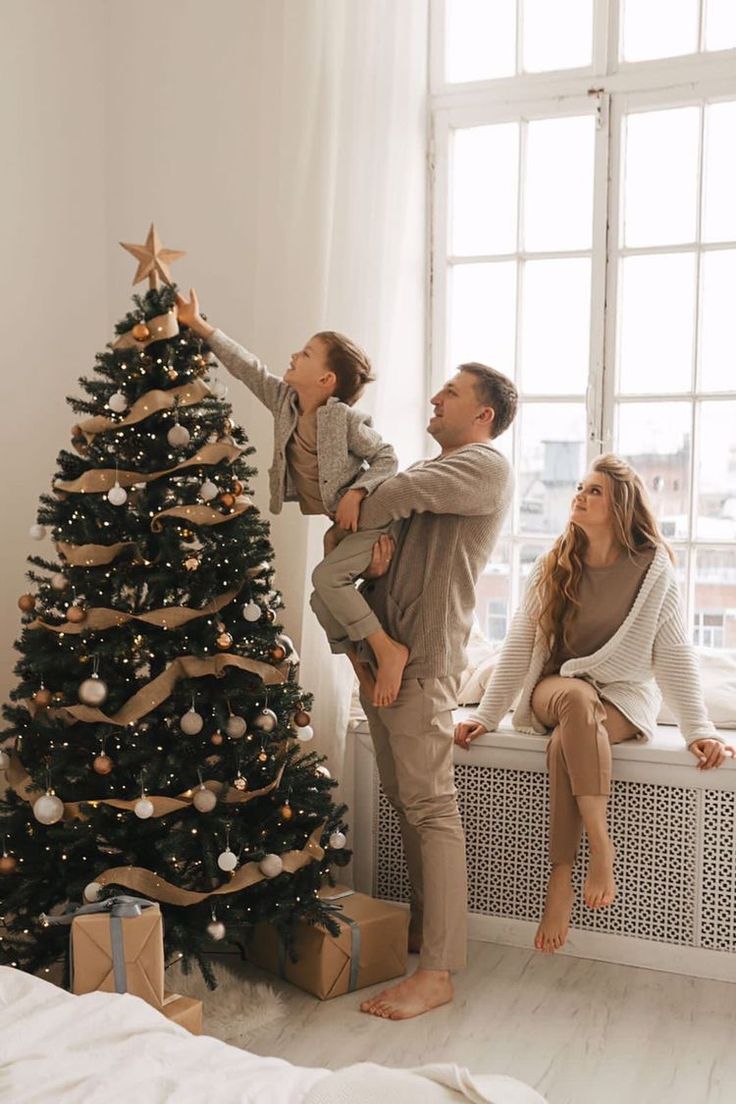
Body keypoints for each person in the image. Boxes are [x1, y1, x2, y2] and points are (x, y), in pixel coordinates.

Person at [455, 453, 731, 955]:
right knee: (577, 705)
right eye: (579, 488)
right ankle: (601, 849)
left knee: (569, 742)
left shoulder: (653, 569)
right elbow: (518, 645)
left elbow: (672, 654)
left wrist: (701, 730)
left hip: (624, 699)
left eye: (594, 491)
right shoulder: (554, 562)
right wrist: (485, 714)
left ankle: (560, 879)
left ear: (620, 504)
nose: (578, 496)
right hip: (556, 690)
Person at [313, 361, 517, 1019]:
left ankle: (438, 971)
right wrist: (368, 552)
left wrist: (366, 504)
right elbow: (349, 539)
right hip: (384, 663)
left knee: (430, 810)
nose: (434, 397)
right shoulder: (437, 478)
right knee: (407, 804)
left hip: (424, 663)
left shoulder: (484, 466)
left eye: (451, 393)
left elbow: (384, 500)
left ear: (483, 415)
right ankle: (424, 940)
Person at [175, 289, 408, 707]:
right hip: (345, 526)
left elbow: (388, 456)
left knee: (325, 579)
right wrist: (198, 325)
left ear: (326, 379)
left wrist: (358, 491)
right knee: (322, 600)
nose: (293, 356)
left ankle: (389, 651)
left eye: (305, 354)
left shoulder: (345, 420)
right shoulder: (286, 403)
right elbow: (249, 369)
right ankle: (363, 667)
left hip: (373, 520)